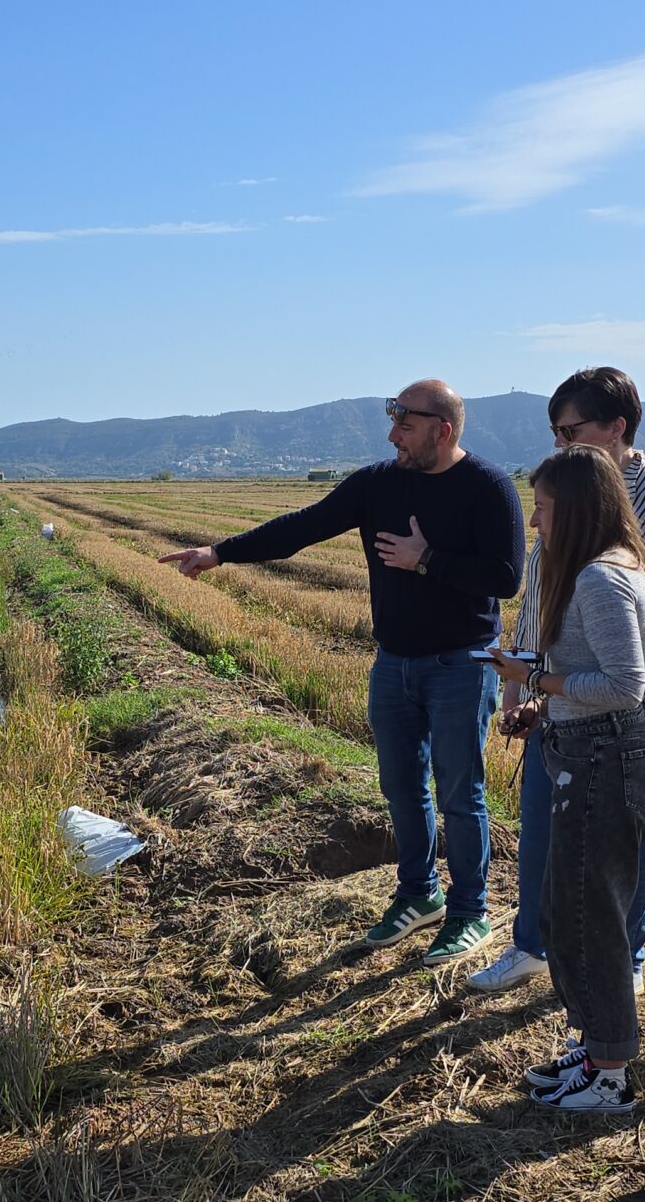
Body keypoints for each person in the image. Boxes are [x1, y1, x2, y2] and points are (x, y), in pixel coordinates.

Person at [161, 380, 525, 963]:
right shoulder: (377, 483)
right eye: (394, 420)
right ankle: (419, 894)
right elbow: (302, 527)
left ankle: (469, 912)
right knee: (402, 788)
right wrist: (220, 552)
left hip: (462, 663)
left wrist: (425, 560)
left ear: (442, 429)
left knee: (461, 793)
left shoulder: (488, 487)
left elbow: (506, 578)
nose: (393, 435)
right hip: (393, 664)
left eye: (405, 424)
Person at [470, 367, 645, 998]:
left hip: (643, 675)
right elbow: (537, 599)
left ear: (617, 427)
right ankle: (533, 943)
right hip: (560, 677)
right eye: (555, 431)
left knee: (625, 820)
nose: (561, 443)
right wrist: (525, 688)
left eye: (571, 429)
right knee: (540, 812)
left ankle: (626, 958)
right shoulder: (564, 489)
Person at [484, 446, 645, 1113]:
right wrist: (544, 706)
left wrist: (533, 679)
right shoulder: (601, 571)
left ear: (579, 512)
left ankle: (611, 1073)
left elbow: (623, 687)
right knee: (568, 913)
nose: (535, 524)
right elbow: (596, 679)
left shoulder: (600, 579)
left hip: (605, 760)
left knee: (591, 922)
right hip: (585, 750)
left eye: (543, 509)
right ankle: (591, 1046)